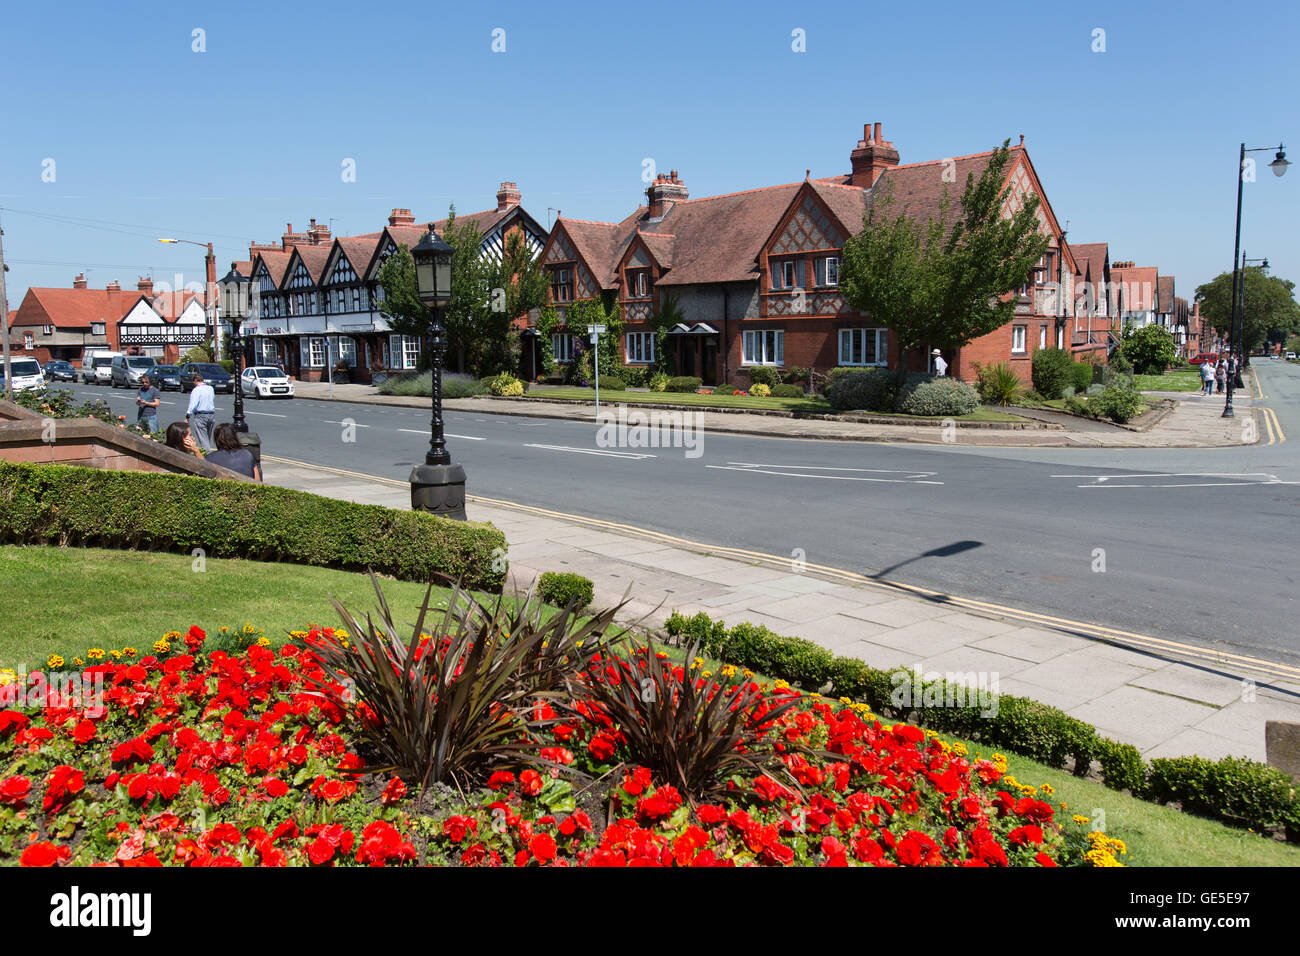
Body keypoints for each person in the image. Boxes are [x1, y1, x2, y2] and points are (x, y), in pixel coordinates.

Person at [186, 371, 217, 451]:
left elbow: (193, 404)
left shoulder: (196, 390)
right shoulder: (210, 388)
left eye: (194, 381)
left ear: (195, 380)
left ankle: (206, 458)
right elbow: (212, 399)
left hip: (201, 415)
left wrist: (188, 415)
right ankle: (207, 452)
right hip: (211, 415)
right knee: (207, 438)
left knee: (203, 439)